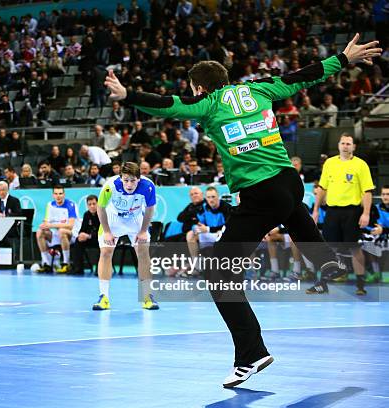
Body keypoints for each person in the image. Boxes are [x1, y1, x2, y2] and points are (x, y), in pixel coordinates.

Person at [104, 33, 380, 386]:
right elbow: (302, 76)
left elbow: (168, 103)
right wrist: (342, 58)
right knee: (290, 206)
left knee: (218, 274)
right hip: (290, 181)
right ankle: (325, 259)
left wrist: (129, 96)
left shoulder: (209, 104)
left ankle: (251, 353)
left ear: (200, 89)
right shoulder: (259, 89)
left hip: (259, 192)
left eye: (193, 89)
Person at [312, 134, 375, 295]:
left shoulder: (361, 165)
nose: (345, 146)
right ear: (338, 145)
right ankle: (323, 282)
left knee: (354, 248)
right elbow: (322, 188)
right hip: (332, 211)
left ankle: (360, 284)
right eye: (343, 143)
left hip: (352, 212)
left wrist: (366, 213)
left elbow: (367, 191)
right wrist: (316, 210)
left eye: (349, 143)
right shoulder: (329, 163)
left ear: (353, 147)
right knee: (328, 248)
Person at [93, 162, 158, 311]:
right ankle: (104, 297)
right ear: (121, 177)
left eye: (133, 180)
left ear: (139, 179)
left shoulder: (148, 186)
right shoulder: (110, 186)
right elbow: (100, 208)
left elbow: (149, 209)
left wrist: (142, 231)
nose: (129, 184)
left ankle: (147, 296)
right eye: (126, 180)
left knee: (143, 252)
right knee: (105, 252)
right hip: (113, 218)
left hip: (135, 219)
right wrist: (108, 231)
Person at [36, 185, 77, 273]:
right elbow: (46, 222)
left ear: (64, 194)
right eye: (56, 194)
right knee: (39, 232)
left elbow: (70, 225)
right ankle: (46, 263)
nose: (58, 196)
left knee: (61, 231)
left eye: (60, 193)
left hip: (70, 234)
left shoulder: (70, 205)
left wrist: (51, 225)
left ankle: (66, 263)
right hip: (54, 234)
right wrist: (44, 225)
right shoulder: (50, 205)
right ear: (53, 195)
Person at [71, 195, 100, 275]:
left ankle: (100, 269)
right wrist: (81, 235)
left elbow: (103, 233)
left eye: (94, 204)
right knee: (78, 241)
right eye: (89, 204)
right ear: (87, 205)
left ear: (98, 204)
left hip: (100, 239)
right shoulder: (86, 215)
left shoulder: (102, 214)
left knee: (102, 243)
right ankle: (78, 268)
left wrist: (89, 236)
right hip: (90, 239)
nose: (92, 206)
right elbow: (82, 229)